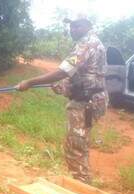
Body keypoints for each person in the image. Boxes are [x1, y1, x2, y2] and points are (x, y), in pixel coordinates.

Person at [16, 17, 108, 184]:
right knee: (78, 144)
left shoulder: (87, 44)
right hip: (89, 99)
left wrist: (29, 82)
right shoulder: (89, 42)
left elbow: (62, 72)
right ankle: (80, 185)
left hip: (86, 103)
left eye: (77, 26)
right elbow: (84, 75)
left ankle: (82, 191)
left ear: (89, 25)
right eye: (71, 26)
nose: (73, 29)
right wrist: (63, 86)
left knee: (75, 148)